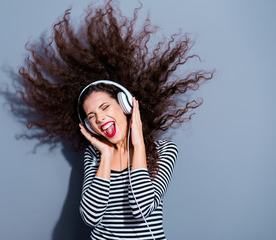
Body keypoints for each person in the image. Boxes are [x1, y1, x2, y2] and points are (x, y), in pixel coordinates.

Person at [15, 0, 213, 239]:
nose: (100, 118)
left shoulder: (164, 151)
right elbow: (90, 216)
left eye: (105, 107)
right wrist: (106, 156)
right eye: (91, 116)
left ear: (125, 104)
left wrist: (138, 144)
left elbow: (142, 209)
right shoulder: (95, 156)